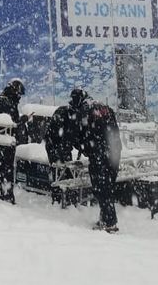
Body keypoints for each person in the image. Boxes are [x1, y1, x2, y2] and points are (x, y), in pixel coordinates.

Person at [46, 89, 122, 233]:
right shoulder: (104, 108)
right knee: (108, 186)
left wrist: (63, 153)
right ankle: (105, 218)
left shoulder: (82, 112)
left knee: (100, 187)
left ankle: (109, 223)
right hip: (115, 151)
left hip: (99, 154)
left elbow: (71, 136)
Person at [0, 79, 27, 204]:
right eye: (19, 95)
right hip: (5, 141)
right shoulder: (7, 102)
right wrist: (22, 120)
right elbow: (12, 123)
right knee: (7, 168)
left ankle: (6, 194)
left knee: (4, 168)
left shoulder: (3, 99)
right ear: (15, 91)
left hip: (1, 140)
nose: (20, 98)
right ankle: (7, 195)